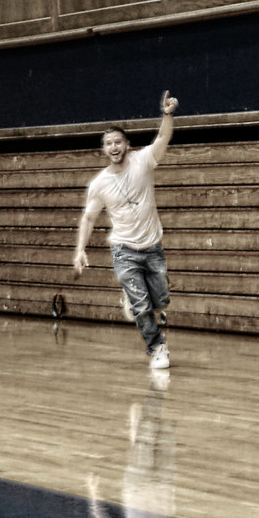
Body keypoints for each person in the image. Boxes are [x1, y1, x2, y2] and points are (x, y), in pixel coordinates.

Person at [73, 90, 178, 370]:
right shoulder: (100, 183)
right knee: (143, 306)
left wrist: (167, 115)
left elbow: (163, 138)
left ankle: (131, 301)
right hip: (124, 251)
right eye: (108, 143)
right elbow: (88, 218)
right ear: (104, 150)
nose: (114, 147)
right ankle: (157, 348)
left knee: (161, 300)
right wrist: (80, 250)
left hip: (153, 247)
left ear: (127, 144)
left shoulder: (144, 161)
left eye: (118, 141)